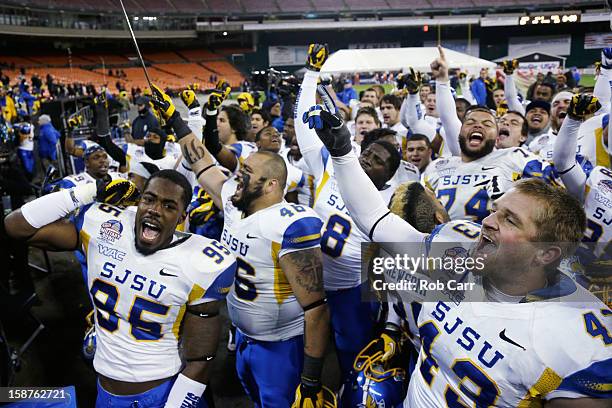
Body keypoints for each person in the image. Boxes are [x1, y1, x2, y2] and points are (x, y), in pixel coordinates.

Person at [307, 99, 612, 408]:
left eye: (510, 220)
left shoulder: (578, 340)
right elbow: (377, 219)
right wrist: (343, 153)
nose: (487, 223)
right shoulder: (457, 246)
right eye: (496, 211)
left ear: (546, 254)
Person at [149, 82, 334, 407]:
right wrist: (176, 122)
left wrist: (311, 379)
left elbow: (316, 310)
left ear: (272, 185)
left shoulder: (291, 223)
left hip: (280, 346)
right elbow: (202, 163)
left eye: (247, 172)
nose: (238, 176)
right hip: (246, 338)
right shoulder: (236, 201)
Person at [3, 170, 237, 407]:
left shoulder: (200, 263)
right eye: (149, 199)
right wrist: (90, 191)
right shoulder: (105, 227)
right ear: (139, 201)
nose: (155, 210)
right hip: (103, 388)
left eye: (168, 206)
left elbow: (200, 360)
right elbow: (16, 225)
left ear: (181, 217)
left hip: (158, 393)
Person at [298, 45, 401, 389]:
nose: (369, 159)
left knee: (352, 358)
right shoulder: (332, 166)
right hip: (307, 279)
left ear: (389, 176)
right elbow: (303, 131)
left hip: (349, 290)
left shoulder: (389, 200)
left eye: (378, 160)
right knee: (305, 352)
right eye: (367, 152)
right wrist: (312, 74)